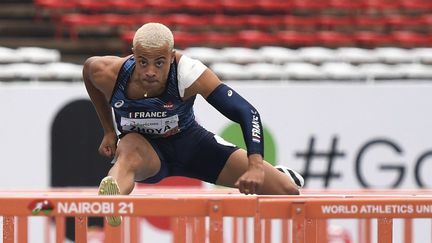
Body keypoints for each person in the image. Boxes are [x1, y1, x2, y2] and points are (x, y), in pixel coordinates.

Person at [83, 22, 304, 226]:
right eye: (143, 62)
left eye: (159, 62)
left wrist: (255, 165)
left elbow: (246, 112)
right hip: (146, 152)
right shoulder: (108, 72)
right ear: (134, 55)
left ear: (171, 56)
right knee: (129, 149)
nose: (150, 71)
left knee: (288, 191)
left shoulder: (189, 73)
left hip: (193, 146)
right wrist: (109, 130)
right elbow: (88, 73)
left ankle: (279, 174)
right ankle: (112, 201)